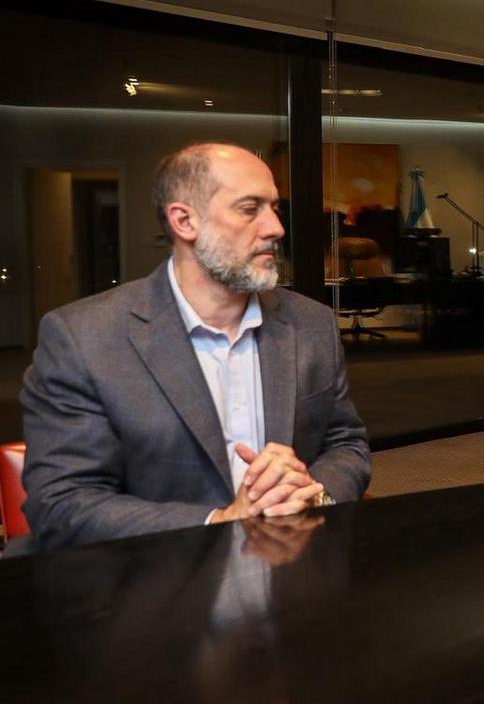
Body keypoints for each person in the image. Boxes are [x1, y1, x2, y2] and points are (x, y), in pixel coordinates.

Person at [16, 143, 371, 553]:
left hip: (293, 566)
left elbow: (346, 443)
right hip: (156, 576)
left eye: (274, 208)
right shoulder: (83, 338)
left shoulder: (311, 324)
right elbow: (61, 504)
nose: (275, 227)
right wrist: (220, 522)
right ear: (185, 221)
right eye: (250, 208)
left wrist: (314, 493)